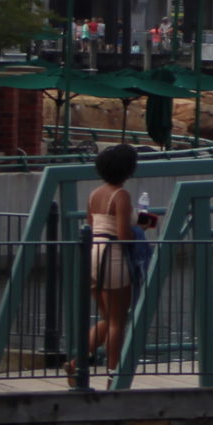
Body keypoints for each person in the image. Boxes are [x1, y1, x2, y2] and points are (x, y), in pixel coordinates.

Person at [82, 145, 154, 372]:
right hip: (113, 258)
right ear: (128, 170)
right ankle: (114, 373)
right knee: (117, 321)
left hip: (93, 255)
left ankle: (76, 364)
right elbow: (123, 234)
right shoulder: (120, 195)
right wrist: (141, 229)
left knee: (107, 318)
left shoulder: (94, 194)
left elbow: (93, 227)